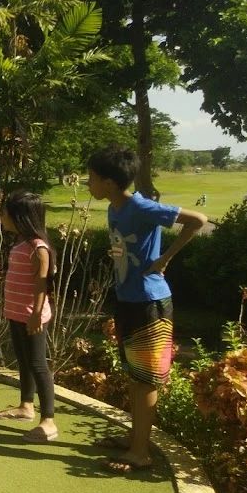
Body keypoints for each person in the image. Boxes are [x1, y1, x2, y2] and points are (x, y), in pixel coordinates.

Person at [87, 146, 207, 474]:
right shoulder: (114, 208)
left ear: (110, 183)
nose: (88, 183)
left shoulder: (141, 206)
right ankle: (134, 440)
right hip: (128, 301)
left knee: (146, 381)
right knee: (135, 377)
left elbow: (197, 220)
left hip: (149, 303)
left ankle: (140, 453)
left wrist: (165, 259)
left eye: (92, 178)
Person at [0, 191, 58, 443]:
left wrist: (37, 315)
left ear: (21, 217)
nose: (2, 217)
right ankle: (26, 406)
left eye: (5, 213)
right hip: (16, 313)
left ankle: (48, 421)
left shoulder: (38, 249)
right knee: (23, 360)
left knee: (38, 364)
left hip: (32, 316)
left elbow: (41, 286)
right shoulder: (20, 244)